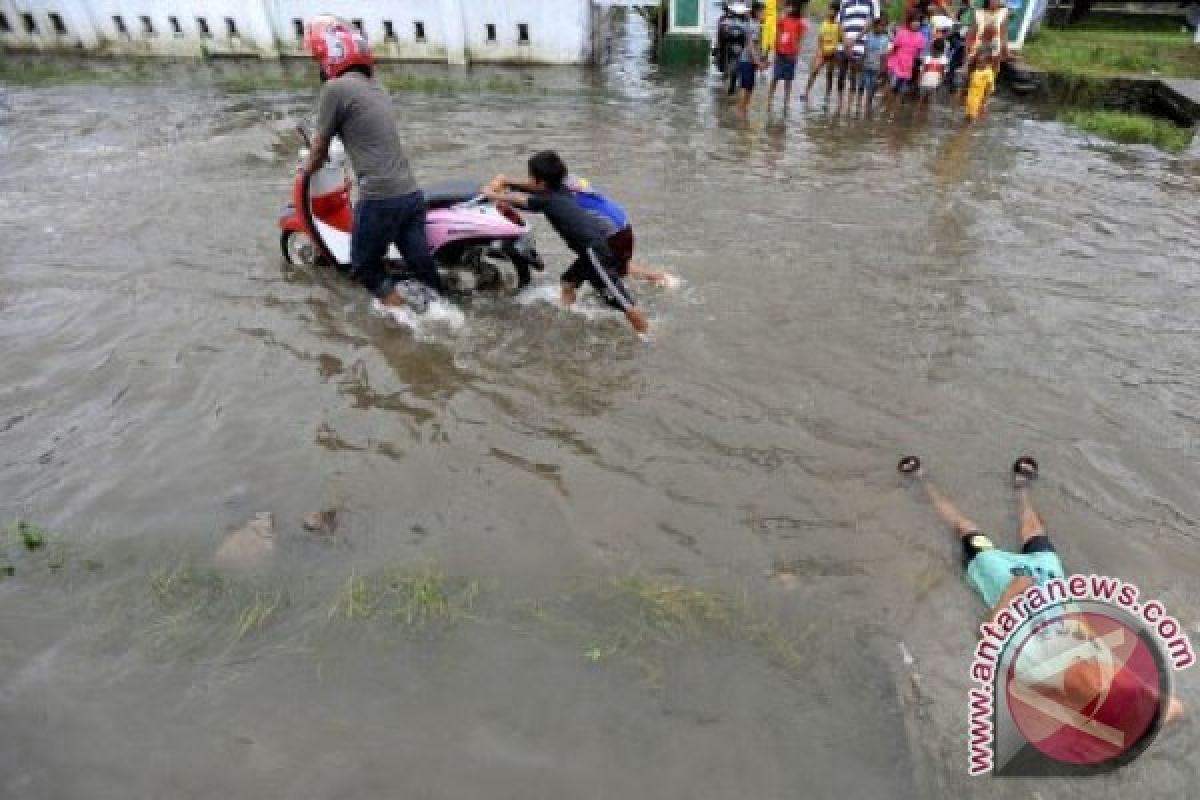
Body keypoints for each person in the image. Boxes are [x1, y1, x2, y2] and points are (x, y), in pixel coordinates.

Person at [898, 455, 1185, 727]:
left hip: (1001, 579)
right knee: (1034, 532)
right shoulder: (1112, 674)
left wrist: (1014, 593)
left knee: (966, 528)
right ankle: (1021, 488)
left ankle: (922, 481)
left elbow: (987, 635)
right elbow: (1174, 708)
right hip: (1049, 583)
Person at [301, 15, 443, 316]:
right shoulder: (378, 88)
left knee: (364, 265)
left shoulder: (335, 90)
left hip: (380, 198)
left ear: (331, 58)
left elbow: (318, 147)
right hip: (410, 195)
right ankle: (443, 312)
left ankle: (403, 319)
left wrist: (305, 173)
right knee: (421, 266)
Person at [483, 152, 650, 335]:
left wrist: (493, 194)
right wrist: (507, 182)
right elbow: (531, 190)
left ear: (542, 182)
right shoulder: (560, 188)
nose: (529, 180)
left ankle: (649, 336)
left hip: (594, 252)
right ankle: (568, 317)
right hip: (592, 249)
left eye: (531, 176)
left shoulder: (546, 200)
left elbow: (521, 200)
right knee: (568, 282)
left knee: (623, 303)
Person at [484, 172, 674, 289]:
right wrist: (508, 183)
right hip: (620, 225)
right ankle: (659, 278)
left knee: (608, 273)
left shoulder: (561, 200)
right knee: (617, 267)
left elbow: (534, 202)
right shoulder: (568, 179)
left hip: (613, 234)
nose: (532, 181)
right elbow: (537, 190)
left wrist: (498, 194)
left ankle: (655, 282)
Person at [835, 0, 879, 114]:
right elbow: (840, 21)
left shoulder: (873, 1)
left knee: (854, 75)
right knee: (841, 75)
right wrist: (845, 40)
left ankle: (849, 106)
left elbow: (871, 22)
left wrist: (854, 40)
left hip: (859, 44)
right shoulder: (844, 1)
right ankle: (839, 105)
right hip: (843, 43)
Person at [767, 2, 810, 113]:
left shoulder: (800, 22)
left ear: (797, 8)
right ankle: (770, 100)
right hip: (780, 53)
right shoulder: (782, 19)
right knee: (775, 77)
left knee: (788, 79)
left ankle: (786, 102)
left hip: (791, 55)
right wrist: (775, 49)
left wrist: (797, 52)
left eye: (794, 6)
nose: (791, 8)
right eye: (790, 6)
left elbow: (802, 37)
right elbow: (778, 34)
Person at [882, 13, 926, 111]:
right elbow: (895, 48)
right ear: (909, 22)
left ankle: (894, 108)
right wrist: (887, 61)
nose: (916, 23)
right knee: (893, 85)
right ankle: (887, 106)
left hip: (908, 65)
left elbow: (918, 53)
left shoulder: (920, 37)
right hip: (896, 62)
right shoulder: (901, 33)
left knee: (901, 89)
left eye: (918, 21)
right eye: (914, 21)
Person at [735, 1, 769, 117]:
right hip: (747, 61)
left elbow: (756, 46)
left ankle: (742, 110)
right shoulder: (754, 25)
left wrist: (761, 60)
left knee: (747, 86)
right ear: (757, 12)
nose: (766, 14)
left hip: (748, 61)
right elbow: (750, 46)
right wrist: (758, 62)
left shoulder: (755, 24)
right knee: (746, 87)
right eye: (764, 12)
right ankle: (741, 111)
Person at [805, 4, 842, 106]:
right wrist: (818, 52)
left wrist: (837, 50)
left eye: (833, 11)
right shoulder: (824, 24)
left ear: (837, 12)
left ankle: (827, 96)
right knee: (814, 71)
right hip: (822, 52)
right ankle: (806, 93)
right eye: (830, 10)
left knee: (829, 75)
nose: (831, 12)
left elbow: (841, 39)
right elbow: (820, 39)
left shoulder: (838, 25)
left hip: (833, 54)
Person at [860, 17, 892, 111]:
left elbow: (884, 55)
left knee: (873, 87)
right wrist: (861, 64)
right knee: (866, 85)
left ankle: (868, 104)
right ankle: (867, 105)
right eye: (880, 26)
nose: (881, 28)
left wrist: (882, 69)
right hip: (866, 66)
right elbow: (864, 51)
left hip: (877, 68)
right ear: (875, 26)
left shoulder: (885, 39)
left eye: (883, 26)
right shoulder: (868, 36)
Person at [968, 0, 1010, 71]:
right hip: (979, 45)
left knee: (991, 73)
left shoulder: (1003, 12)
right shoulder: (978, 12)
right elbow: (972, 33)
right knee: (974, 72)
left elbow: (1004, 32)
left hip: (994, 46)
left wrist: (1005, 48)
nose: (994, 1)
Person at [916, 37, 949, 111]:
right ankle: (919, 114)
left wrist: (941, 81)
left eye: (938, 51)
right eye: (935, 51)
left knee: (928, 100)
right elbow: (923, 70)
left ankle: (922, 115)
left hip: (933, 84)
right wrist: (919, 80)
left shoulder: (943, 60)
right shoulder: (928, 58)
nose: (936, 53)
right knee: (922, 100)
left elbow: (943, 73)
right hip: (926, 83)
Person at [964, 52, 995, 123]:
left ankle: (966, 131)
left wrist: (984, 101)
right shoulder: (975, 71)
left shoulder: (988, 72)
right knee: (967, 115)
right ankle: (965, 128)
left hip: (978, 99)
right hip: (970, 97)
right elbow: (970, 84)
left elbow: (989, 88)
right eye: (977, 62)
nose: (978, 64)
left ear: (987, 63)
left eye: (981, 63)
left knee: (972, 117)